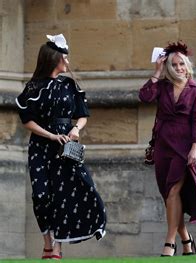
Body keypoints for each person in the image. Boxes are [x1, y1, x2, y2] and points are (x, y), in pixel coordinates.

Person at [15, 34, 106, 260]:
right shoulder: (34, 86)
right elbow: (27, 119)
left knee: (67, 193)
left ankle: (57, 248)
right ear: (54, 59)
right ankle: (48, 243)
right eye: (65, 58)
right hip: (41, 147)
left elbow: (83, 115)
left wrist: (76, 130)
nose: (68, 62)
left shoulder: (69, 85)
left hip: (66, 149)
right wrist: (51, 135)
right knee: (41, 195)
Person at [138, 41, 196, 256]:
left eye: (182, 64)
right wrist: (157, 71)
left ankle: (169, 243)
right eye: (174, 64)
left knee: (173, 191)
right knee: (169, 196)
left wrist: (194, 148)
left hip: (183, 146)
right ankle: (186, 240)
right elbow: (144, 97)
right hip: (163, 145)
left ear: (187, 65)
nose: (179, 68)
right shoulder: (161, 87)